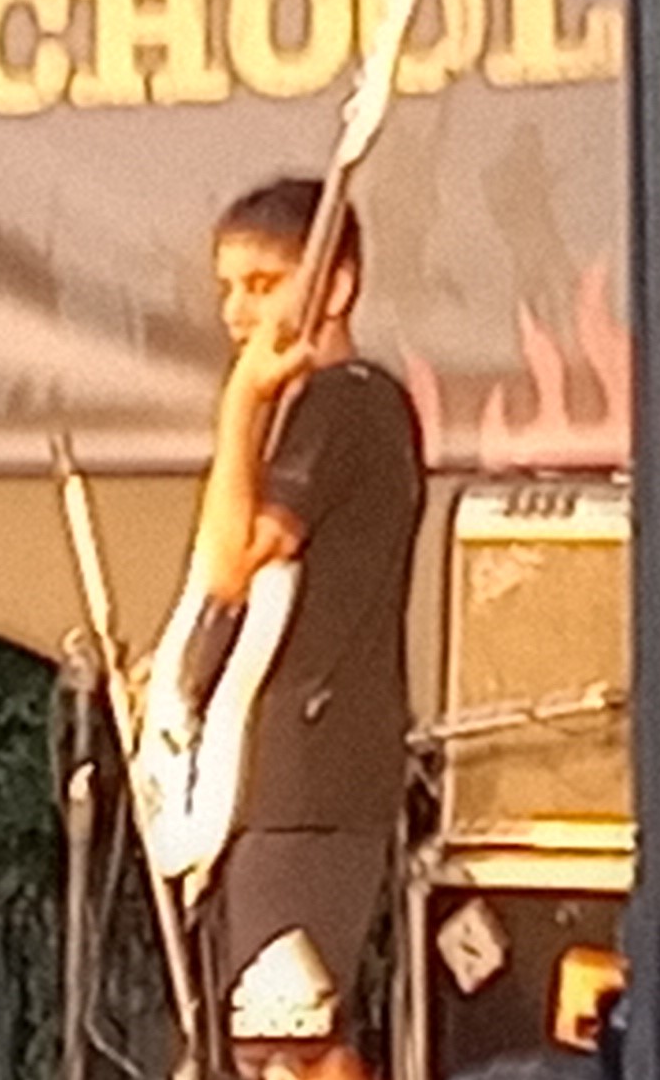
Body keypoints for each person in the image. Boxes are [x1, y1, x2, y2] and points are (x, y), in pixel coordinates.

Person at [181, 176, 425, 1080]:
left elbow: (233, 562)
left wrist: (238, 405)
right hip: (268, 775)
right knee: (272, 1042)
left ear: (336, 284)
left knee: (292, 1040)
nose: (237, 311)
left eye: (263, 283)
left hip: (313, 775)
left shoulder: (348, 402)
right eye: (227, 288)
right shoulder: (304, 416)